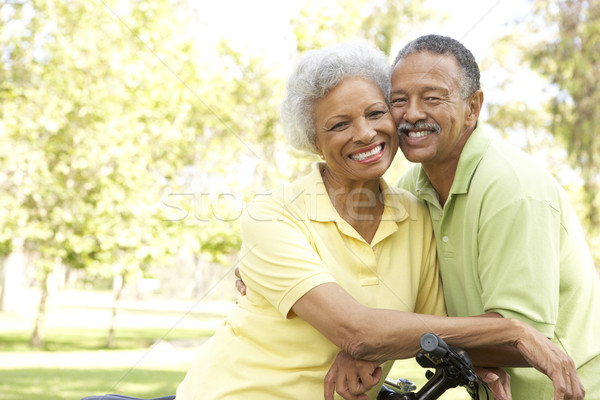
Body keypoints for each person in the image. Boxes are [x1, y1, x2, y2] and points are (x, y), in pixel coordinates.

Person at [171, 39, 581, 400]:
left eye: (375, 112)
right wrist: (514, 331)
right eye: (339, 125)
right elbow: (360, 331)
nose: (365, 134)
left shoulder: (416, 212)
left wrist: (369, 346)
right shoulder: (271, 216)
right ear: (314, 141)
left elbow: (435, 331)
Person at [323, 35, 600, 400]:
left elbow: (523, 338)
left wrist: (378, 344)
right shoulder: (413, 186)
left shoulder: (511, 187)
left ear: (473, 107)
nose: (413, 114)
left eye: (433, 98)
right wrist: (268, 262)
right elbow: (360, 256)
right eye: (399, 100)